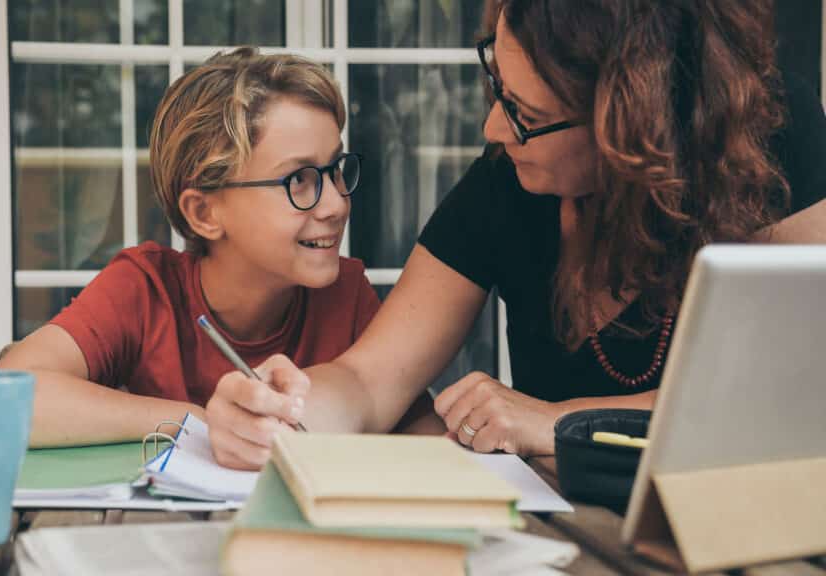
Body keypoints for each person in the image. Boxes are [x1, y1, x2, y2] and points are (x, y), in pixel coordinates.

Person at [204, 0, 826, 470]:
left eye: (527, 116)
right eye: (499, 88)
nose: (494, 127)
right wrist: (278, 412)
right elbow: (370, 380)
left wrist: (557, 421)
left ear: (632, 125)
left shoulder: (771, 137)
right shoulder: (508, 180)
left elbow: (792, 398)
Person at [0, 48, 379, 447]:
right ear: (204, 213)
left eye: (335, 171)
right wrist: (198, 421)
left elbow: (419, 436)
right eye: (298, 180)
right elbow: (4, 399)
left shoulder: (346, 297)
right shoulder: (146, 291)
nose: (336, 204)